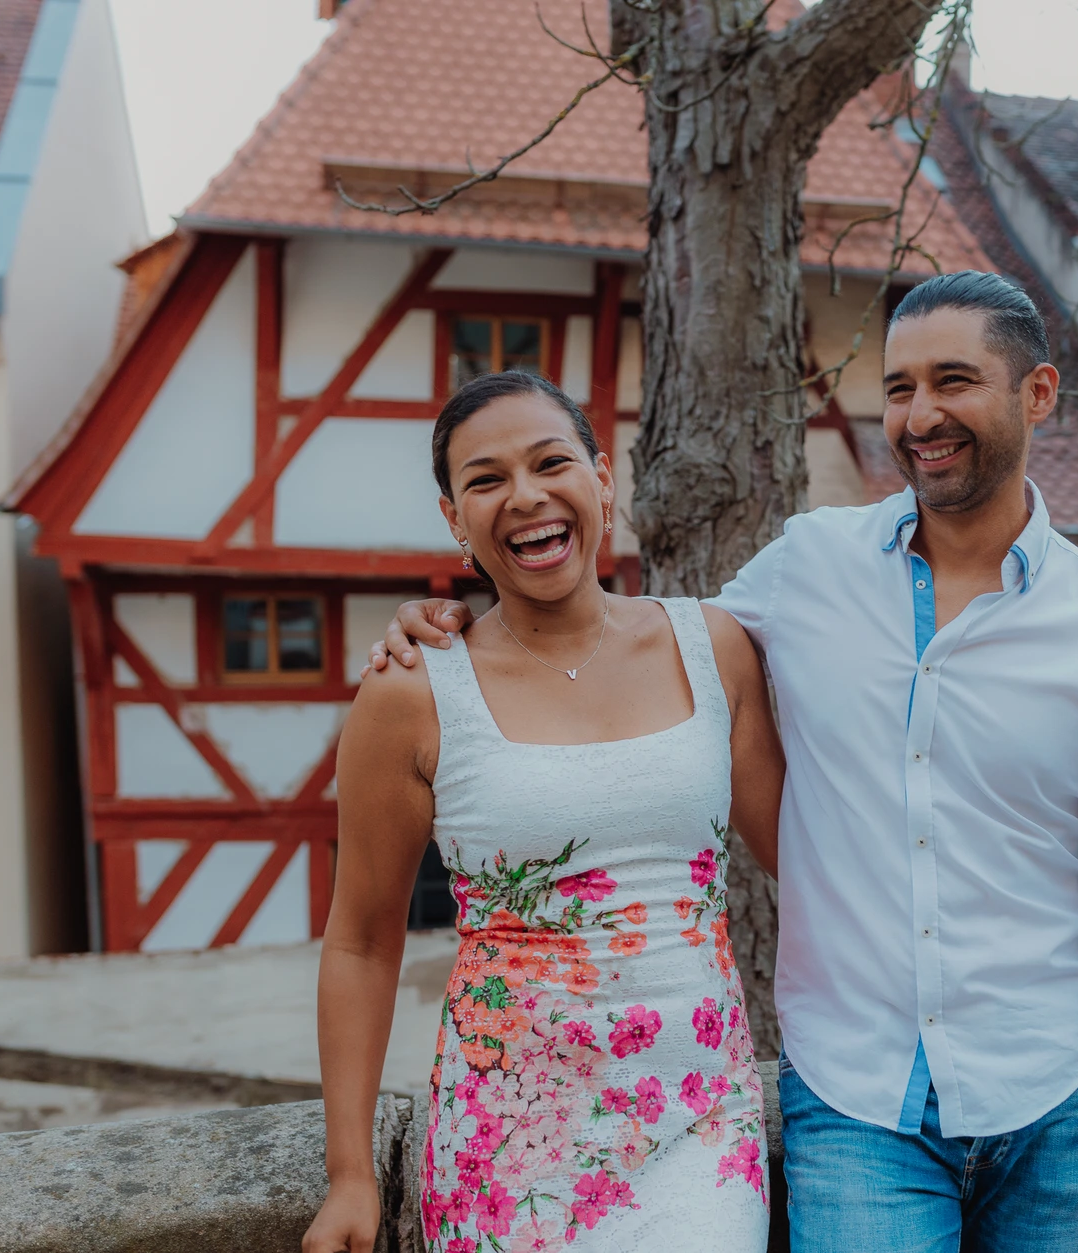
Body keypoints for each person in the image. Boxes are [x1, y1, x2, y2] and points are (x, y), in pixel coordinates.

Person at [370, 271, 1078, 1253]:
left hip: (1054, 1092)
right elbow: (635, 642)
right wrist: (445, 626)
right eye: (896, 388)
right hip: (854, 1096)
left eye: (952, 381)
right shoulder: (808, 565)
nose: (919, 414)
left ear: (1037, 393)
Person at [303, 372, 784, 1253]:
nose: (525, 497)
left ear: (602, 480)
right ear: (454, 517)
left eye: (550, 462)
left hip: (699, 1129)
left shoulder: (716, 649)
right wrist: (349, 1175)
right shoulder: (412, 691)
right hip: (505, 1150)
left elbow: (814, 860)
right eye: (486, 480)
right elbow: (361, 942)